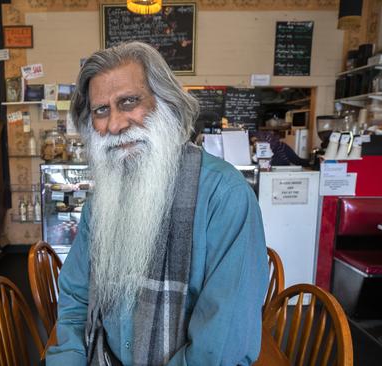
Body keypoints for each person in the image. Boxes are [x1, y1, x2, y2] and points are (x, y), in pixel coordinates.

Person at [46, 42, 268, 365]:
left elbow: (219, 351)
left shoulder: (224, 196)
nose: (115, 125)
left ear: (166, 103)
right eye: (101, 110)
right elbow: (76, 299)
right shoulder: (101, 203)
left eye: (129, 102)